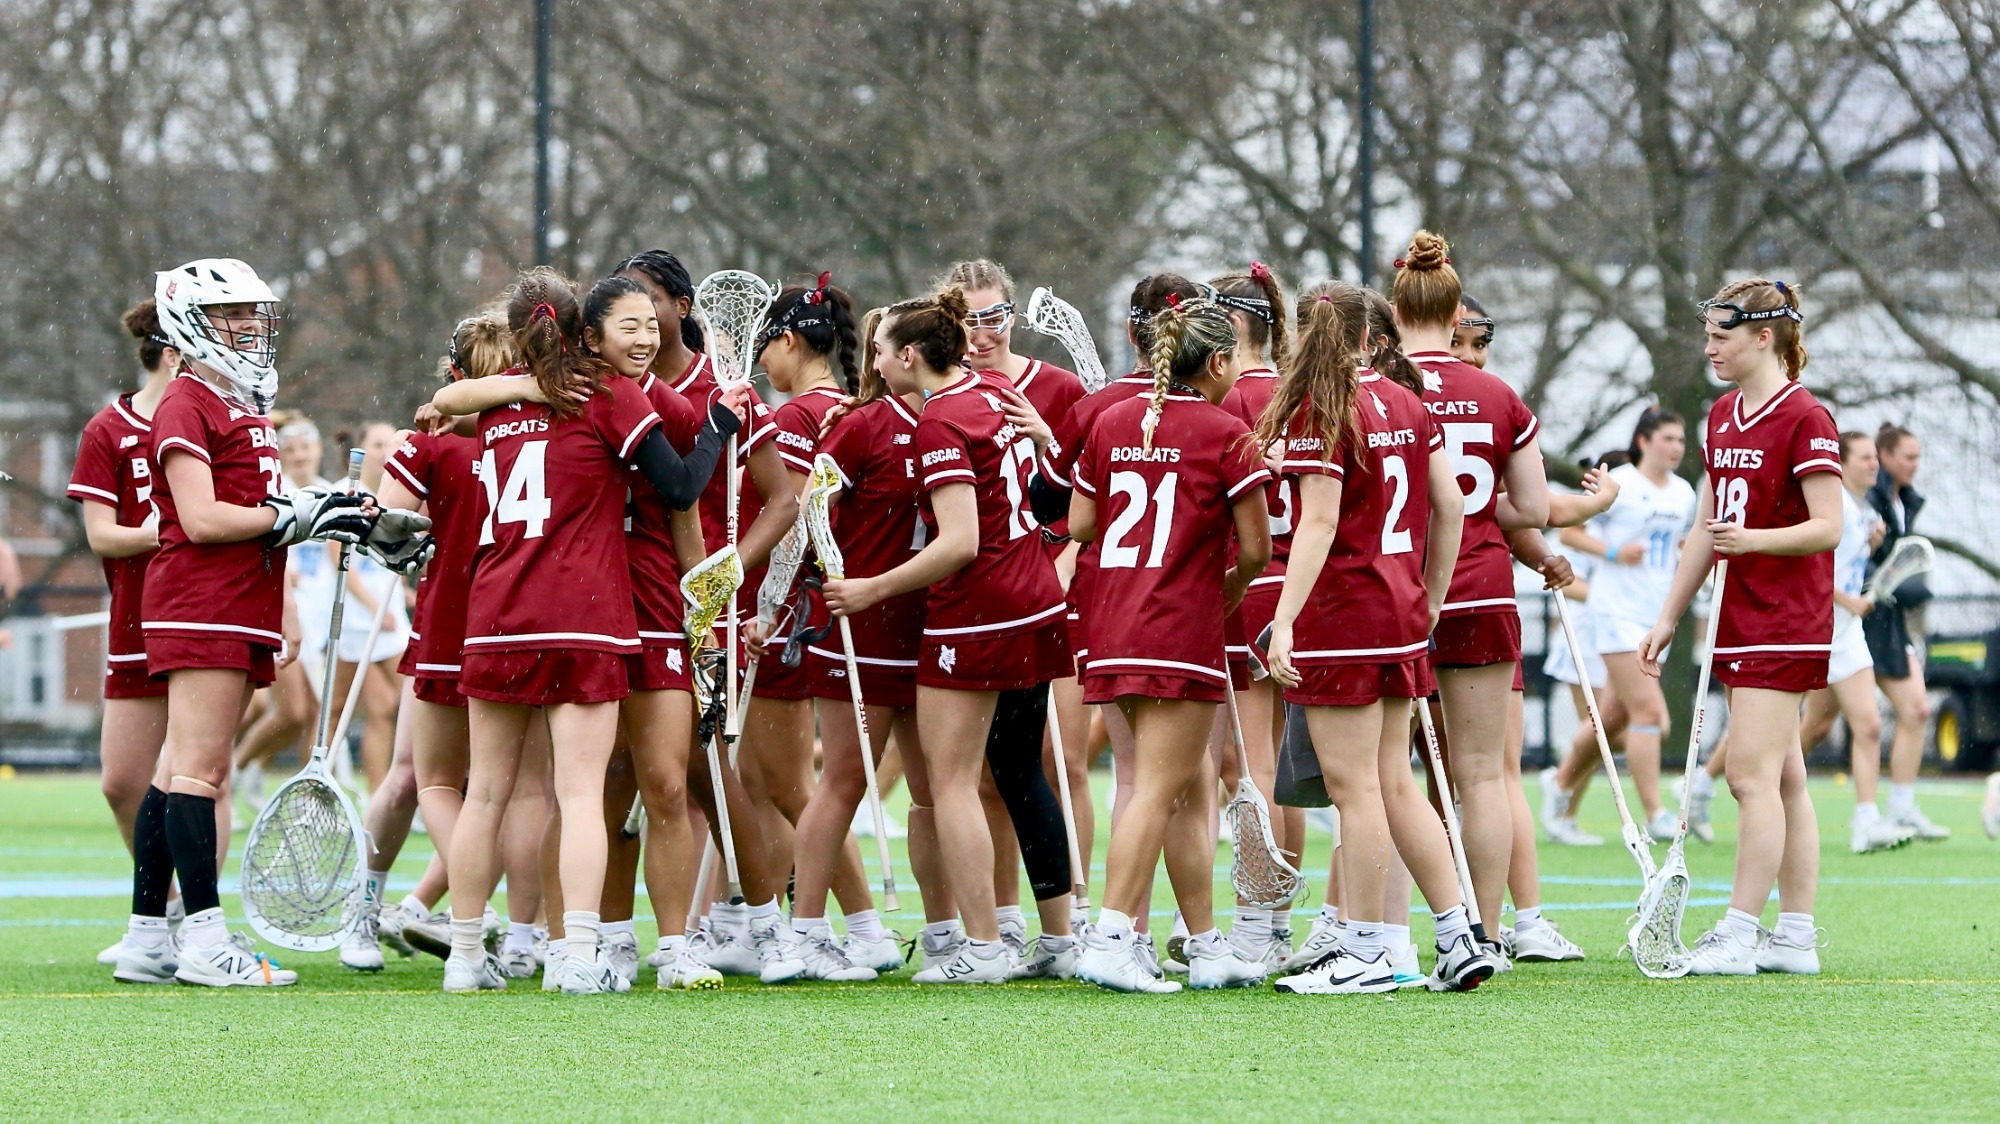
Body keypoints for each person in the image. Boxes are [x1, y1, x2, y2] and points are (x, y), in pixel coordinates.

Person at [433, 269, 745, 995]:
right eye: (625, 326)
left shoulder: (499, 404)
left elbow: (447, 398)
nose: (640, 339)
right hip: (581, 614)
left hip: (496, 614)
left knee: (489, 793)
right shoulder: (602, 394)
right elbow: (678, 487)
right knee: (578, 794)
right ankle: (575, 953)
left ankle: (467, 955)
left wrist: (518, 387)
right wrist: (720, 426)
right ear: (584, 334)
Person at [121, 257, 380, 987]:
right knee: (201, 771)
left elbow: (266, 521)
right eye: (229, 313)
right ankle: (203, 941)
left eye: (250, 314)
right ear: (187, 322)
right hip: (202, 598)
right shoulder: (188, 402)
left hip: (236, 598)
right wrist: (294, 513)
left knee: (180, 769)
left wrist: (290, 588)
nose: (246, 327)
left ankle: (148, 935)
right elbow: (202, 518)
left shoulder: (239, 402)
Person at [823, 285, 1073, 984]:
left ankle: (984, 949)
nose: (871, 359)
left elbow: (960, 541)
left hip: (981, 609)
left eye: (880, 349)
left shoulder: (939, 422)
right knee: (1021, 773)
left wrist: (871, 588)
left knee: (953, 782)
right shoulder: (995, 393)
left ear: (910, 356)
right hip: (1035, 597)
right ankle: (1056, 938)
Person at [1260, 281, 1496, 994]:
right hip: (1397, 611)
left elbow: (1321, 523)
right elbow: (1451, 503)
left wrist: (1287, 619)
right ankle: (1461, 936)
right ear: (1373, 338)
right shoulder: (1406, 401)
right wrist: (1432, 594)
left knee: (1354, 788)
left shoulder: (1324, 406)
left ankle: (1363, 952)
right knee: (1396, 782)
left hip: (1344, 615)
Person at [1062, 296, 1272, 993]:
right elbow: (1259, 546)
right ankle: (1113, 935)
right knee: (1158, 788)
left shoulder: (1110, 419)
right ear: (1215, 361)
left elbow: (1081, 523)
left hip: (1111, 621)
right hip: (1177, 626)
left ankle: (1206, 943)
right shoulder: (1225, 431)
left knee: (1180, 789)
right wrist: (1229, 588)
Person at [1639, 278, 1840, 976]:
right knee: (1784, 779)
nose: (1710, 349)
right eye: (1708, 336)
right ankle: (1795, 936)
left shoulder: (1805, 417)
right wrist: (1669, 615)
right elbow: (1707, 525)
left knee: (1749, 779)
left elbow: (1828, 525)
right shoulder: (1722, 415)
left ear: (1765, 337)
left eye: (1722, 336)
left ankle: (1740, 930)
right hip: (1738, 616)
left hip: (1786, 619)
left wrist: (1753, 542)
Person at [1397, 231, 1550, 946]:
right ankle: (1485, 932)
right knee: (1483, 775)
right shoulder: (1496, 393)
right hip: (1482, 588)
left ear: (1396, 310)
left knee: (1383, 775)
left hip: (1395, 594)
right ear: (1457, 311)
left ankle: (1378, 931)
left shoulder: (1381, 389)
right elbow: (1536, 509)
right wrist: (1483, 511)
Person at [787, 307, 946, 979]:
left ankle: (944, 934)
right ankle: (801, 935)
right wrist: (809, 587)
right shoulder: (857, 428)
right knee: (843, 781)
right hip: (858, 632)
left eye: (881, 350)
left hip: (932, 630)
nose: (873, 363)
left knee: (935, 788)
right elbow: (807, 522)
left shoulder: (954, 420)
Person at [943, 258, 1092, 955]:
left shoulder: (1055, 388)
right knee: (985, 769)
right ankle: (1003, 915)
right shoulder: (946, 393)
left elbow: (1093, 494)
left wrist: (1044, 436)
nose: (983, 333)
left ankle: (1075, 911)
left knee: (1054, 762)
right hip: (982, 597)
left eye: (995, 316)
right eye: (968, 320)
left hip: (1052, 590)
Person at [72, 297, 204, 968]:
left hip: (202, 616)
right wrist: (165, 533)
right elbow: (101, 534)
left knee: (196, 776)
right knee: (123, 781)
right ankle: (169, 909)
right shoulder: (109, 429)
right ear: (172, 350)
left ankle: (201, 922)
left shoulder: (208, 419)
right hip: (136, 620)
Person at [1210, 262, 1303, 969]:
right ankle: (1278, 925)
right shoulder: (1306, 392)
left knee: (1250, 764)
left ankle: (1253, 923)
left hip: (1252, 582)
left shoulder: (1227, 400)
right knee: (1283, 767)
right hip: (1301, 589)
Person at [1551, 408, 1696, 840]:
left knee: (1611, 716)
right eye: (1667, 438)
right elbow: (1570, 533)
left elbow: (1675, 547)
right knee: (1649, 711)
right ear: (1644, 441)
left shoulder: (1685, 493)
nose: (1675, 447)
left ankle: (1558, 783)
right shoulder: (1620, 483)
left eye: (1680, 440)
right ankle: (1655, 814)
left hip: (1655, 614)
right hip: (1615, 611)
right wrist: (1613, 552)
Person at [1796, 432, 1912, 853]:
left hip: (1846, 633)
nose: (1873, 464)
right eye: (1864, 457)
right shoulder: (1834, 507)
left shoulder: (1863, 510)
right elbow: (1807, 568)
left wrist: (1871, 545)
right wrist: (1847, 599)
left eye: (1873, 458)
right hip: (1814, 627)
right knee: (1796, 731)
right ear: (1842, 463)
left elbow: (1844, 565)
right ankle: (1705, 783)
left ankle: (1866, 820)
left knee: (1868, 723)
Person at [1864, 423, 1947, 839]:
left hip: (1888, 621)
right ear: (1884, 456)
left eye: (1918, 457)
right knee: (1811, 724)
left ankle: (1900, 808)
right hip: (1854, 619)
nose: (1915, 465)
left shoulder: (1904, 501)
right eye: (1908, 456)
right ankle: (1702, 782)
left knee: (1917, 709)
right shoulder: (1865, 495)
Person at [326, 422, 412, 791]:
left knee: (396, 706)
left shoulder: (399, 491)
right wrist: (377, 605)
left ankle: (390, 792)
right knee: (343, 710)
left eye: (389, 442)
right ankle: (328, 786)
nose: (385, 449)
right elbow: (339, 560)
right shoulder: (346, 492)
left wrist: (402, 594)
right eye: (377, 443)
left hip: (387, 618)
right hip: (359, 619)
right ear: (360, 450)